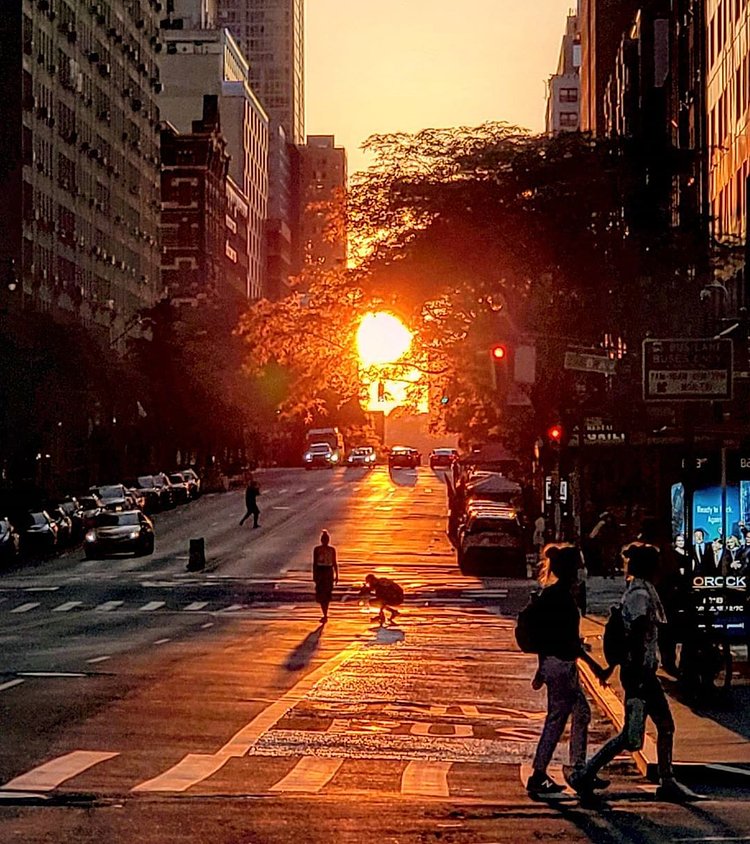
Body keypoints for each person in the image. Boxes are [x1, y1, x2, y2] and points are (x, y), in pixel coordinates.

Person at [569, 543, 702, 803]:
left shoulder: (639, 590)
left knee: (656, 727)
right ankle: (586, 773)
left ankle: (667, 778)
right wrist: (640, 666)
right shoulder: (640, 594)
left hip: (639, 672)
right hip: (639, 673)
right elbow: (639, 628)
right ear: (650, 566)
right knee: (633, 735)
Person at [526, 544, 610, 797]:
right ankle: (545, 773)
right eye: (580, 565)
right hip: (563, 666)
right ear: (573, 569)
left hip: (555, 664)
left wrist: (542, 667)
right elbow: (571, 643)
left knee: (579, 713)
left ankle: (577, 769)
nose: (583, 570)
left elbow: (545, 637)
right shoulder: (563, 599)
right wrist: (596, 668)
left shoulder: (552, 595)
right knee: (558, 719)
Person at [312, 530, 338, 623]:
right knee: (321, 594)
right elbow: (315, 563)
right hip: (321, 571)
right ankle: (324, 613)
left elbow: (334, 563)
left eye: (326, 539)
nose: (325, 541)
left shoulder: (332, 550)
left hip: (328, 572)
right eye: (324, 539)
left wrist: (337, 575)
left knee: (327, 594)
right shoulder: (317, 549)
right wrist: (315, 575)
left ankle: (325, 614)